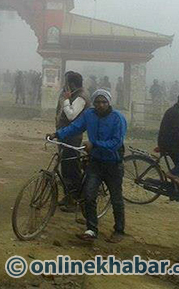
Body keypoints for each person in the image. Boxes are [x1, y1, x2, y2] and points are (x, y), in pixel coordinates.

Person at [49, 89, 127, 243]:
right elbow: (75, 127)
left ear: (109, 102)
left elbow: (116, 142)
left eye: (104, 102)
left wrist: (95, 144)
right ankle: (91, 230)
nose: (100, 105)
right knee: (89, 196)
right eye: (97, 102)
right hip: (95, 162)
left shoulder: (118, 118)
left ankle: (119, 230)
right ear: (93, 103)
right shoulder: (89, 115)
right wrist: (58, 134)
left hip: (113, 163)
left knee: (116, 198)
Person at [54, 72, 90, 211]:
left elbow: (71, 115)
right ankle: (68, 196)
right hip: (65, 135)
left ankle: (74, 200)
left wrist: (66, 99)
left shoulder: (81, 97)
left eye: (66, 82)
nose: (64, 85)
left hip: (73, 137)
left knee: (72, 169)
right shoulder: (74, 94)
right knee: (66, 168)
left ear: (72, 84)